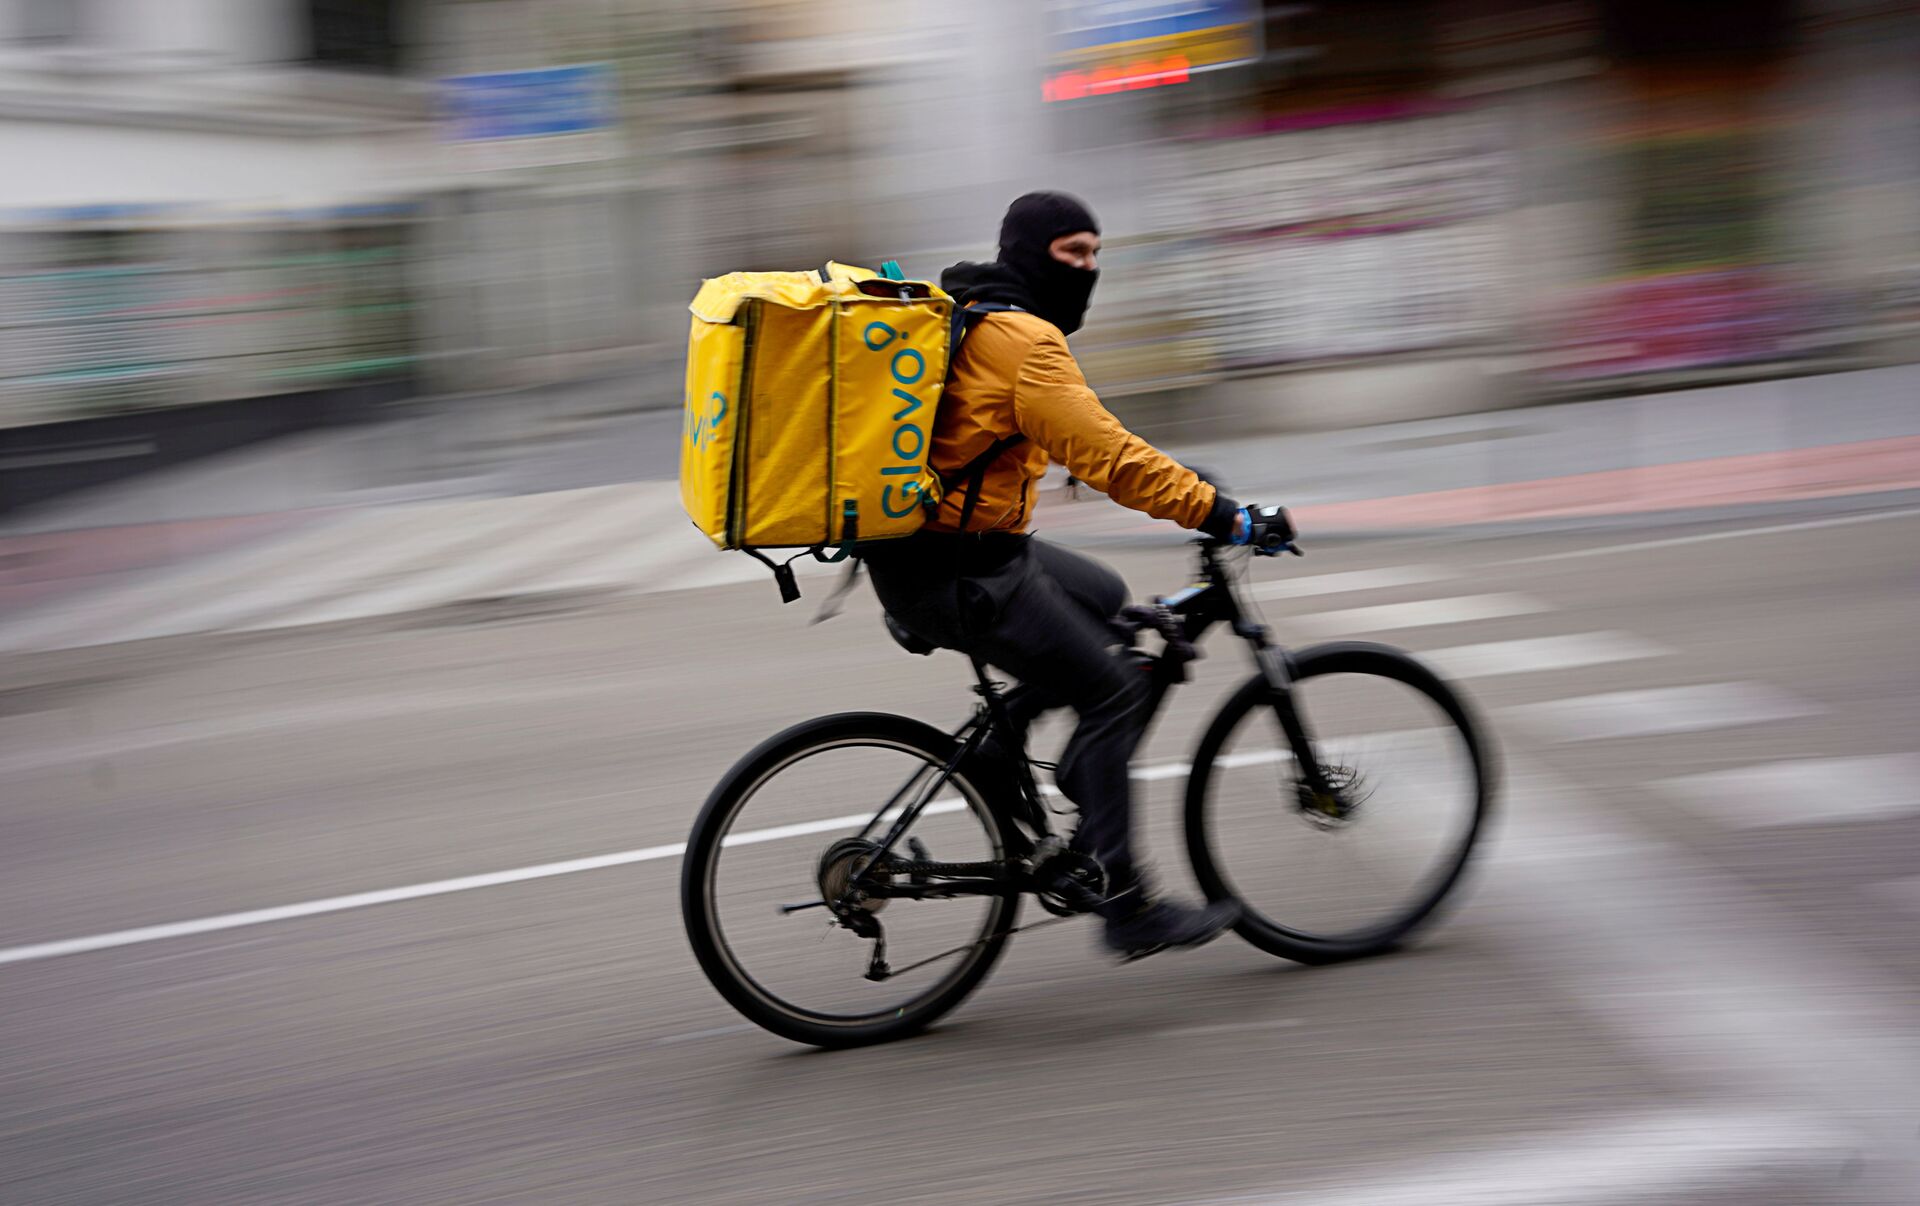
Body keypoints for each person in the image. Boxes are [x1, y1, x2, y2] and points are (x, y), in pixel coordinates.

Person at [864, 191, 1278, 960]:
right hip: (964, 572)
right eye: (1072, 253)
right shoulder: (1024, 341)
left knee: (1103, 598)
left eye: (1095, 253)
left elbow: (1040, 432)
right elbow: (1111, 458)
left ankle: (1002, 749)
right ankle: (1127, 904)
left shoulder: (973, 312)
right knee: (1115, 690)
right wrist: (1225, 515)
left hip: (931, 555)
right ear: (1029, 252)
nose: (1088, 268)